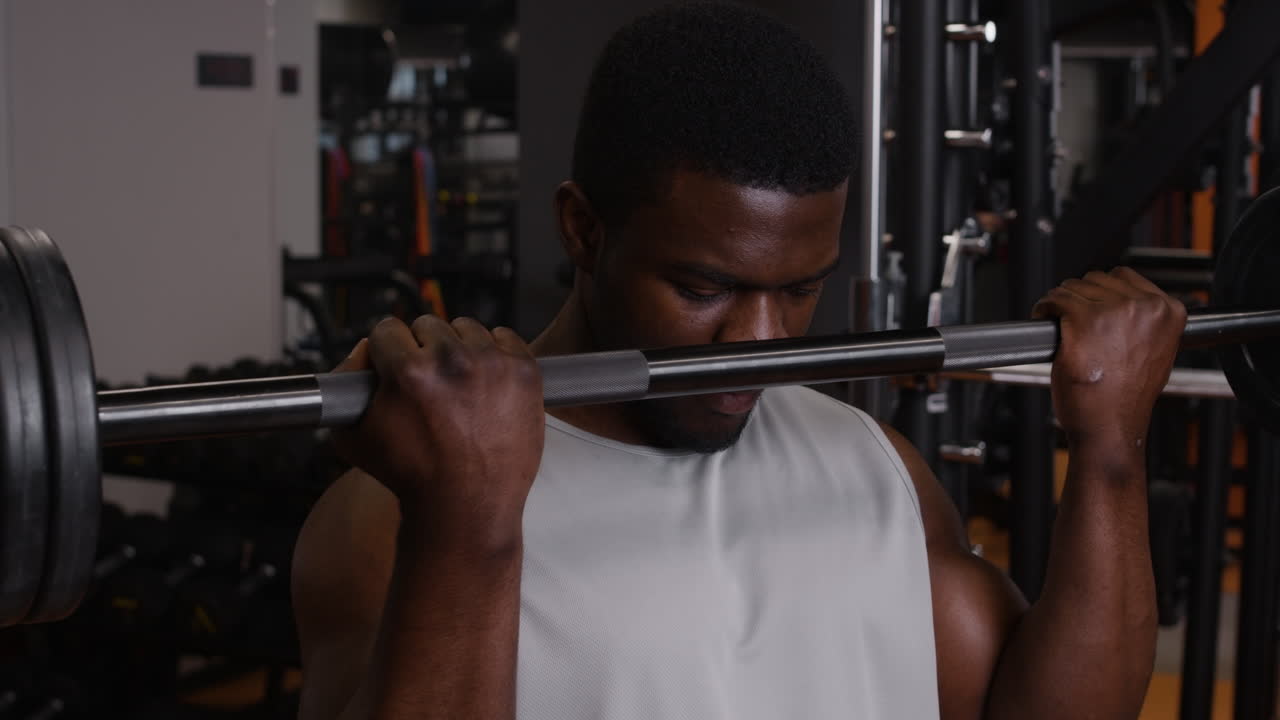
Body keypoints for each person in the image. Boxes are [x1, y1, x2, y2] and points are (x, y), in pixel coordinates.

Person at [292, 4, 1184, 719]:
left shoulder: (870, 466)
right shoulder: (395, 517)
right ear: (584, 229)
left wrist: (1110, 452)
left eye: (799, 290)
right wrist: (465, 521)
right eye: (704, 287)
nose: (761, 343)